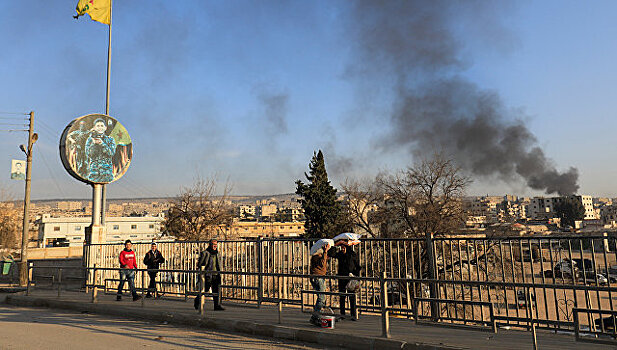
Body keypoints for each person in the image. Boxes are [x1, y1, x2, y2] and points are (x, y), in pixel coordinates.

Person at [329, 240, 361, 319]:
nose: (342, 249)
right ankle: (342, 314)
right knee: (342, 296)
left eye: (344, 247)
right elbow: (332, 254)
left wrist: (355, 275)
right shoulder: (340, 254)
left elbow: (358, 266)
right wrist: (334, 246)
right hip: (342, 277)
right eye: (341, 247)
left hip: (351, 277)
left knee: (352, 296)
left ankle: (353, 314)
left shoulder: (352, 254)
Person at [194, 239, 224, 311]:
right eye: (213, 245)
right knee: (205, 289)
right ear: (210, 245)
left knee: (217, 290)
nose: (215, 246)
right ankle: (197, 301)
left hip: (216, 274)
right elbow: (200, 264)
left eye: (216, 245)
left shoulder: (217, 253)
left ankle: (217, 306)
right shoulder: (205, 253)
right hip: (208, 275)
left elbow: (219, 264)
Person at [85, 118, 116, 183]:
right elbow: (89, 154)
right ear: (94, 127)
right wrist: (94, 144)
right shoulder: (90, 140)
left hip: (106, 173)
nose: (100, 128)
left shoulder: (110, 140)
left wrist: (102, 144)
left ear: (105, 128)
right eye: (98, 126)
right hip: (94, 172)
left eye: (102, 126)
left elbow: (111, 153)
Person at [309, 242, 331, 316]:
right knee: (321, 298)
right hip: (318, 278)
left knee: (320, 297)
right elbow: (322, 263)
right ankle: (316, 315)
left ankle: (318, 313)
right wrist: (325, 251)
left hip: (316, 277)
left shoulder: (316, 257)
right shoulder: (316, 257)